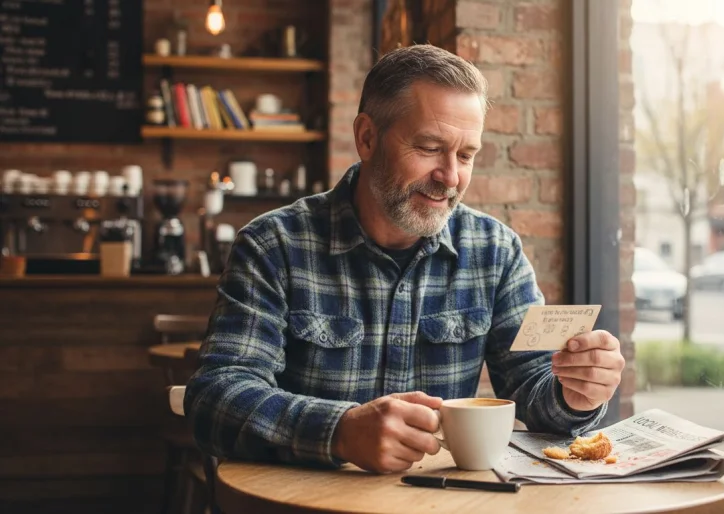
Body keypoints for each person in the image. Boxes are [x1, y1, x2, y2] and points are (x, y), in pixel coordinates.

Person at [185, 44, 624, 474]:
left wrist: (576, 394)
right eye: (430, 148)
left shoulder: (495, 252)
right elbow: (215, 397)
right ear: (367, 138)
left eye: (466, 155)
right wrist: (339, 431)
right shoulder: (273, 246)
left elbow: (534, 386)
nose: (450, 177)